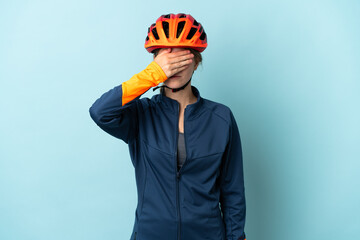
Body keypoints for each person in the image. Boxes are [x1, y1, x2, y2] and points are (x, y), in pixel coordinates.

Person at [89, 13, 247, 240]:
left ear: (196, 62)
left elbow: (233, 191)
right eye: (165, 58)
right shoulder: (140, 114)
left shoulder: (221, 118)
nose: (173, 66)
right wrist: (153, 74)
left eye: (181, 57)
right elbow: (100, 112)